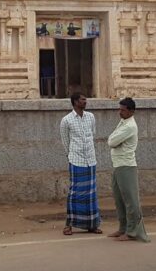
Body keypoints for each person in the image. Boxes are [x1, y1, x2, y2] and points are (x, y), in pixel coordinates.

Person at [107, 98, 149, 243]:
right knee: (119, 199)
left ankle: (132, 231)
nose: (120, 112)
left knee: (131, 201)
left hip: (126, 166)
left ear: (131, 111)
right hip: (118, 165)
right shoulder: (123, 122)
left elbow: (111, 141)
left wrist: (113, 140)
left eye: (123, 110)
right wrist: (113, 140)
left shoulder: (130, 126)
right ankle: (123, 228)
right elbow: (112, 139)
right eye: (120, 109)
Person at [59, 92, 101, 235]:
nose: (85, 102)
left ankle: (92, 224)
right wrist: (71, 156)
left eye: (85, 99)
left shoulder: (91, 117)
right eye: (83, 100)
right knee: (75, 193)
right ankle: (69, 224)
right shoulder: (66, 120)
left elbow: (92, 135)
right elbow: (65, 142)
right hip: (76, 160)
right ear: (75, 102)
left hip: (91, 160)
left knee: (91, 194)